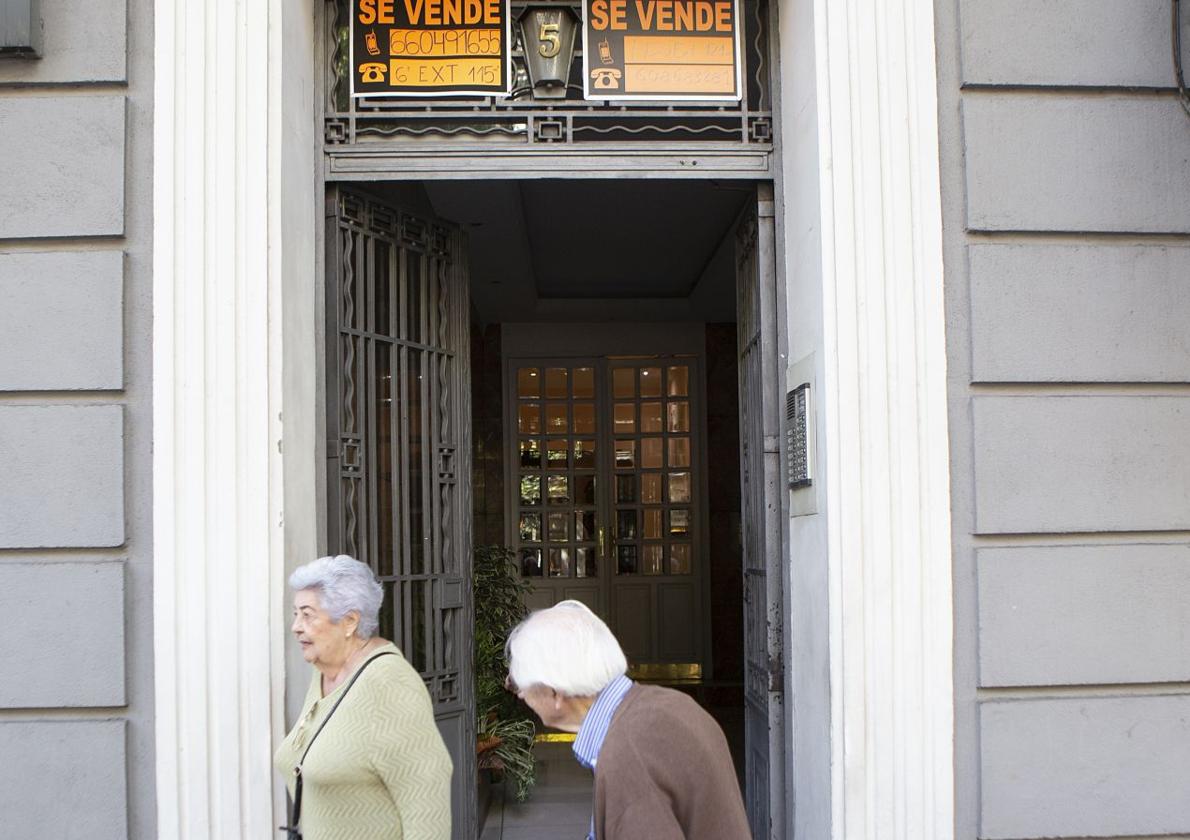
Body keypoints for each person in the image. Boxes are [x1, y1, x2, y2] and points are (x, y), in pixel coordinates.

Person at [505, 600, 750, 839]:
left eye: (521, 686)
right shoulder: (665, 703)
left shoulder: (627, 751)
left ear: (555, 692)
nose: (521, 694)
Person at [274, 555, 452, 840]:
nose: (296, 626)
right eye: (296, 614)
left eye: (307, 615)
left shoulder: (388, 682)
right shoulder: (325, 674)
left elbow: (426, 804)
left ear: (349, 622)